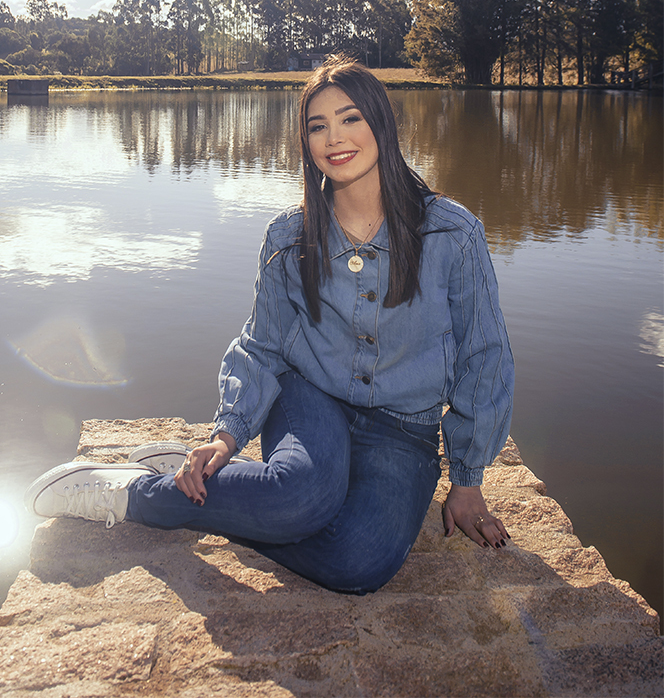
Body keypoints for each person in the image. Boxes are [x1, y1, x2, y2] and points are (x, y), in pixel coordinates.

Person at [26, 55, 514, 594]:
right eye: (318, 126)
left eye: (351, 118)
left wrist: (468, 481)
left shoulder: (452, 234)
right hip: (310, 401)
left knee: (359, 563)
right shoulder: (289, 238)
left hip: (405, 429)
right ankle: (137, 495)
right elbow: (261, 346)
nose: (335, 138)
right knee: (301, 498)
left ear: (382, 123)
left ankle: (221, 492)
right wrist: (226, 436)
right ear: (306, 142)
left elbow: (483, 358)